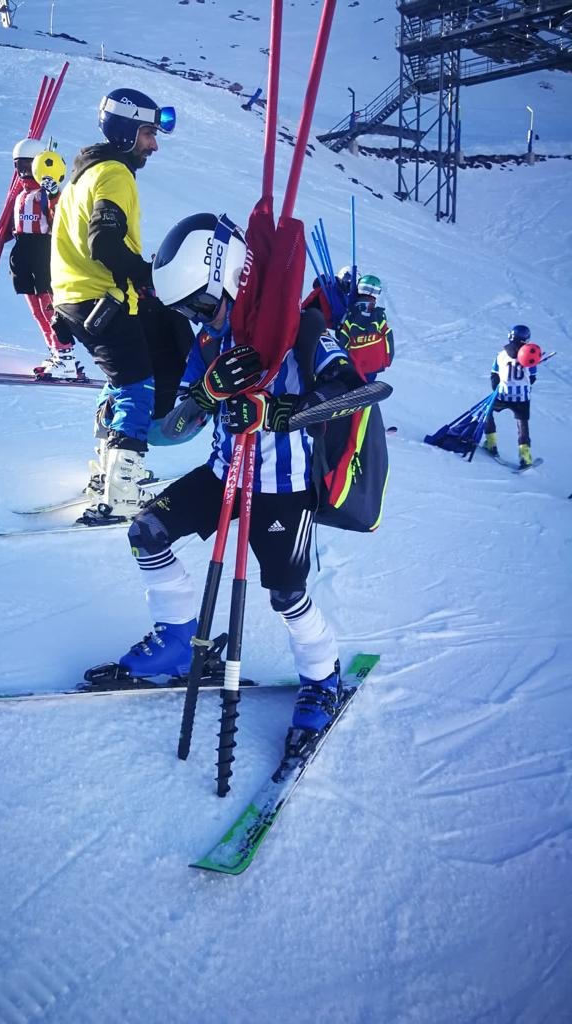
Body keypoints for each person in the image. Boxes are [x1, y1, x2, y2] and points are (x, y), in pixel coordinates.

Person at [112, 213, 367, 758]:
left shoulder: (300, 331)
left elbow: (354, 394)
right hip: (222, 473)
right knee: (146, 531)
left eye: (202, 306)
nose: (200, 319)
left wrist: (280, 413)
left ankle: (322, 676)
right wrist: (205, 392)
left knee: (285, 593)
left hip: (284, 486)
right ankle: (180, 638)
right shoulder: (208, 343)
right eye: (187, 312)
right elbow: (176, 427)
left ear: (231, 278)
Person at [50, 88, 176, 524]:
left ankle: (107, 473)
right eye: (146, 133)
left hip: (73, 297)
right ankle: (122, 493)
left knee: (119, 382)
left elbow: (67, 241)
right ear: (124, 132)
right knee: (137, 387)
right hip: (100, 297)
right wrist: (144, 273)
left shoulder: (81, 176)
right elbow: (103, 241)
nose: (153, 144)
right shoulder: (115, 174)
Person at [0, 138, 81, 380]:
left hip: (44, 252)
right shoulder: (19, 197)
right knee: (36, 310)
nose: (23, 172)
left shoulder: (46, 194)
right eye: (18, 166)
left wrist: (53, 193)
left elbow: (60, 222)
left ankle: (65, 357)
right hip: (24, 254)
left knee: (50, 306)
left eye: (28, 165)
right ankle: (56, 353)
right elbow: (11, 228)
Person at [483, 325, 538, 468]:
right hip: (522, 397)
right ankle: (525, 456)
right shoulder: (530, 356)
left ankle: (491, 443)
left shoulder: (501, 355)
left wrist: (497, 389)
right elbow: (532, 377)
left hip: (503, 394)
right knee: (522, 424)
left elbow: (494, 375)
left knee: (487, 412)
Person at [334, 273, 394, 380]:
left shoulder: (351, 313)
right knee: (368, 383)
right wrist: (387, 360)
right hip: (374, 365)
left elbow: (341, 337)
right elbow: (388, 338)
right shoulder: (379, 315)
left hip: (354, 365)